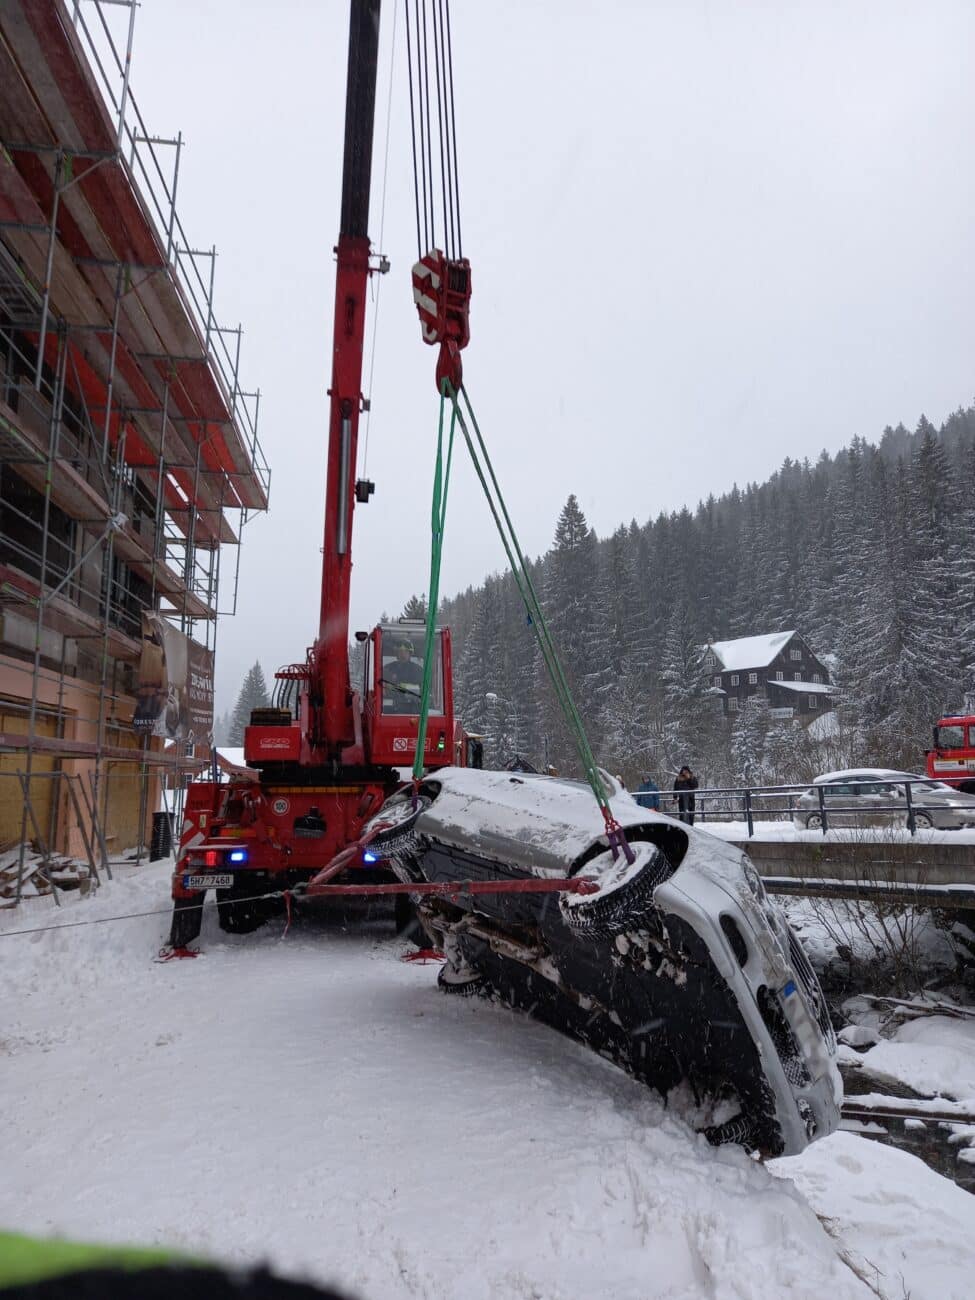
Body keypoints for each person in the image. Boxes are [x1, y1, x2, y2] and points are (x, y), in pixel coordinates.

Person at [383, 639, 423, 713]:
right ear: (396, 653)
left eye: (406, 651)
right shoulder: (387, 669)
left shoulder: (418, 670)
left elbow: (422, 690)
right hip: (390, 710)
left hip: (413, 710)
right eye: (400, 651)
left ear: (410, 653)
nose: (402, 654)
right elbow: (382, 687)